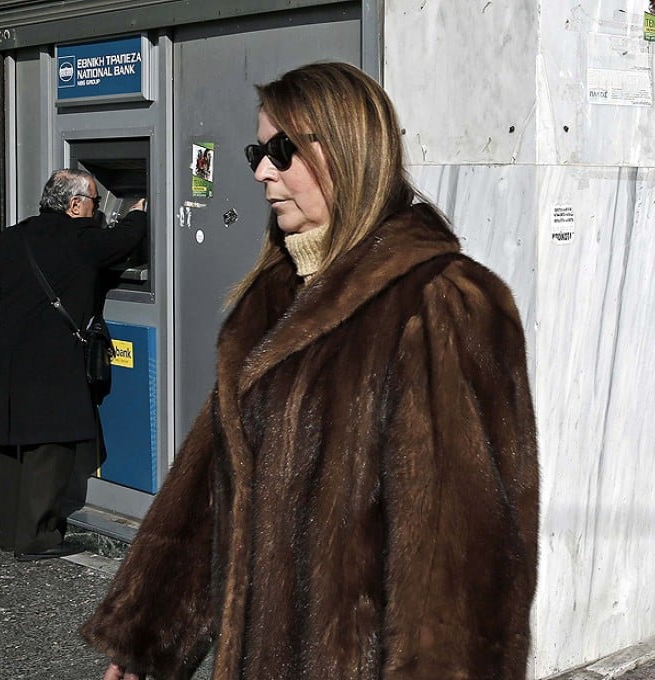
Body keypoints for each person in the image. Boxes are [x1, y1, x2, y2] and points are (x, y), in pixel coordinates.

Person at [83, 62, 539, 679]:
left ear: (349, 150)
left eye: (281, 150)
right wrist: (146, 640)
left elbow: (458, 563)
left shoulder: (437, 303)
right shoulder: (273, 299)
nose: (261, 170)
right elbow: (208, 486)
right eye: (257, 150)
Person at [0, 170, 147, 561]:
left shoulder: (12, 237)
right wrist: (138, 212)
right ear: (75, 205)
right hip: (51, 364)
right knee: (50, 447)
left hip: (8, 359)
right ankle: (38, 538)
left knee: (11, 446)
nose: (99, 210)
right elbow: (124, 241)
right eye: (96, 203)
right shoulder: (81, 238)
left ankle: (11, 532)